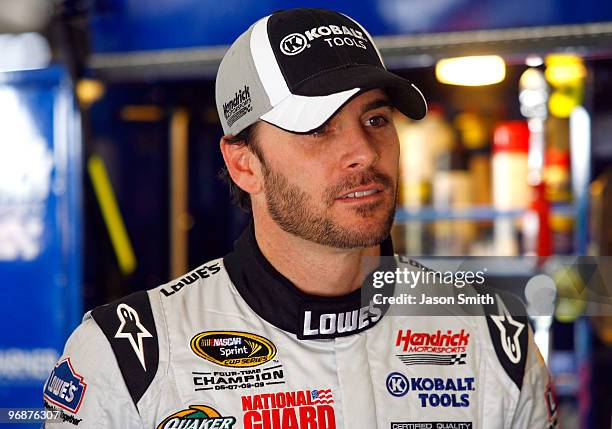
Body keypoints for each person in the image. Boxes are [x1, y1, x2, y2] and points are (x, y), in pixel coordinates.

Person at [43, 8, 557, 429]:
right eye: (317, 128)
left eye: (375, 119)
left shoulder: (495, 342)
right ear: (244, 163)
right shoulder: (129, 359)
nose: (362, 151)